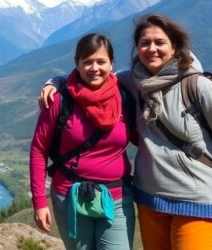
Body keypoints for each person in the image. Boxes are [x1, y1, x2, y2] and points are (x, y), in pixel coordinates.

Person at [38, 14, 212, 249]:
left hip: (198, 202)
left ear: (174, 46)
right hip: (150, 202)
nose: (152, 49)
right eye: (145, 43)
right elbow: (91, 73)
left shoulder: (198, 87)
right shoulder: (134, 81)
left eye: (159, 42)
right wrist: (55, 82)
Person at [30, 33, 135, 250]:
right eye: (87, 62)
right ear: (76, 64)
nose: (94, 68)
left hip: (115, 197)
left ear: (112, 63)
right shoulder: (59, 100)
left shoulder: (125, 98)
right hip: (70, 197)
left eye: (101, 61)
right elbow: (39, 150)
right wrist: (39, 202)